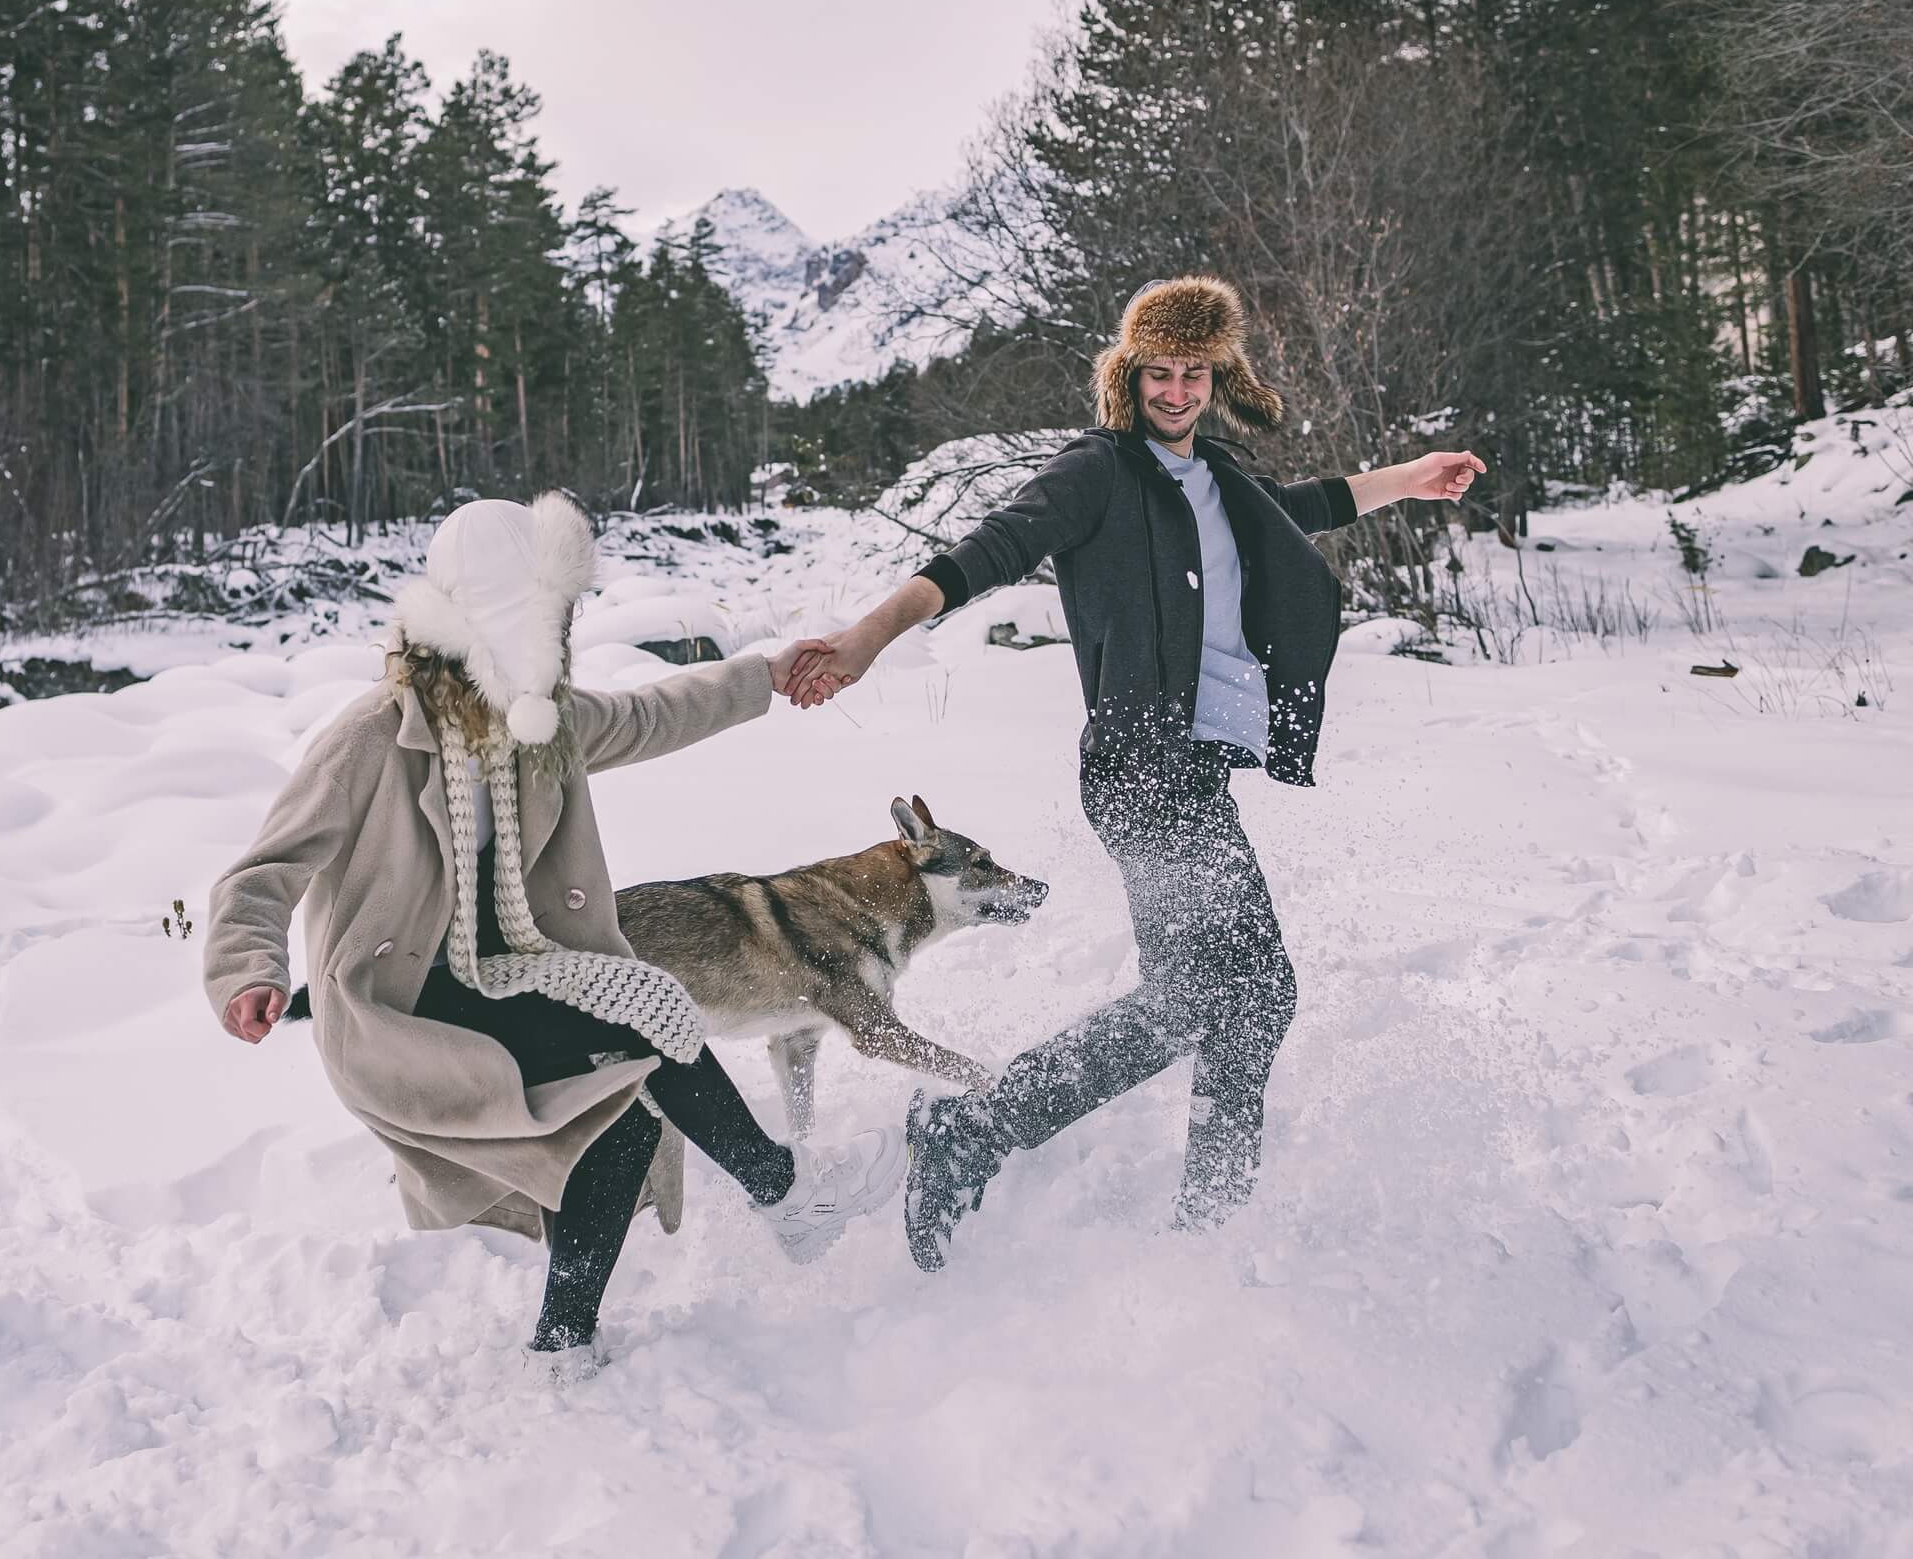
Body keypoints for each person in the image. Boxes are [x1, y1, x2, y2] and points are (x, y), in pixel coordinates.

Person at [785, 275, 1483, 1269]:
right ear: (1129, 374)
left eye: (1195, 371)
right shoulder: (1101, 473)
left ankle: (1188, 1204)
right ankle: (1044, 1155)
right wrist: (866, 636)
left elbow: (1304, 509)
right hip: (1143, 776)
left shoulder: (1218, 478)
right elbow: (989, 550)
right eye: (1159, 371)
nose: (1177, 389)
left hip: (1193, 775)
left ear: (1215, 375)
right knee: (1242, 991)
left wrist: (1411, 477)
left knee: (1215, 994)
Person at [205, 492, 905, 1381]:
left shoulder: (545, 721)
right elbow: (263, 871)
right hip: (403, 1009)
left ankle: (566, 1344)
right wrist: (246, 970)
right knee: (634, 1047)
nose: (551, 640)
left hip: (504, 976)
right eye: (534, 619)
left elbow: (651, 715)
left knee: (621, 1105)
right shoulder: (373, 739)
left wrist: (762, 675)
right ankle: (789, 1195)